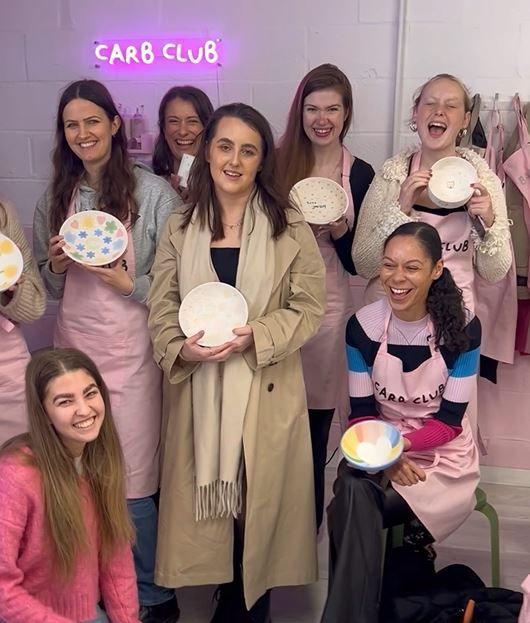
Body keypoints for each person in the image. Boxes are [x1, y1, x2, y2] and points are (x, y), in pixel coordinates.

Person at [148, 102, 326, 623]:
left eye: (248, 151)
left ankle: (252, 605)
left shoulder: (288, 224)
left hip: (265, 386)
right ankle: (225, 593)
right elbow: (161, 306)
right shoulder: (181, 225)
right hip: (199, 389)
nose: (234, 160)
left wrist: (260, 335)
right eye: (224, 146)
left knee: (260, 509)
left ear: (261, 161)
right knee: (214, 514)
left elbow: (310, 306)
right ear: (206, 152)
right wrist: (181, 348)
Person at [33, 79, 182, 623]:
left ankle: (151, 599)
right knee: (78, 473)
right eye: (72, 125)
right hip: (75, 348)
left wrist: (130, 285)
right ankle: (96, 593)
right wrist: (56, 265)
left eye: (92, 121)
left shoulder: (157, 196)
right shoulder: (55, 198)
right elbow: (44, 291)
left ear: (115, 125)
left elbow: (177, 285)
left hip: (134, 353)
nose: (82, 133)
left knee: (135, 482)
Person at [322, 222, 481, 623]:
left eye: (412, 267)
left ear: (437, 270)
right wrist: (383, 458)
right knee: (356, 489)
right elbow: (361, 414)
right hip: (378, 445)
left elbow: (448, 423)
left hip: (442, 458)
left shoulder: (463, 329)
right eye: (389, 265)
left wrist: (394, 452)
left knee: (351, 497)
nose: (397, 277)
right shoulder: (362, 328)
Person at [277, 64, 375, 529]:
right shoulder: (276, 164)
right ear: (300, 112)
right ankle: (269, 522)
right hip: (273, 301)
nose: (322, 118)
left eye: (332, 108)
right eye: (313, 108)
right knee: (271, 416)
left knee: (315, 420)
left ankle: (305, 527)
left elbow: (361, 263)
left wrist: (340, 232)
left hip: (328, 306)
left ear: (346, 112)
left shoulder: (360, 174)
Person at [0, 347, 139, 623]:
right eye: (65, 401)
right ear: (44, 413)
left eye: (90, 393)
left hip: (87, 613)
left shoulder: (101, 458)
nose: (84, 410)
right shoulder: (15, 475)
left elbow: (116, 562)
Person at [353, 73, 512, 311]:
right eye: (430, 103)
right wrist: (399, 211)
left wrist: (488, 224)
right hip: (389, 314)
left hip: (453, 317)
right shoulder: (391, 176)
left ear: (466, 119)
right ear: (416, 113)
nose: (439, 111)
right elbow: (363, 265)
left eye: (451, 105)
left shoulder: (483, 181)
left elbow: (494, 273)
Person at [1, 200, 46, 444]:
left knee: (18, 458)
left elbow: (35, 308)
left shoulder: (4, 214)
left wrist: (11, 291)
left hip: (7, 362)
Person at [151, 85, 214, 196]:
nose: (182, 132)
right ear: (164, 129)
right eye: (174, 121)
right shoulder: (150, 183)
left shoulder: (221, 182)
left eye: (192, 121)